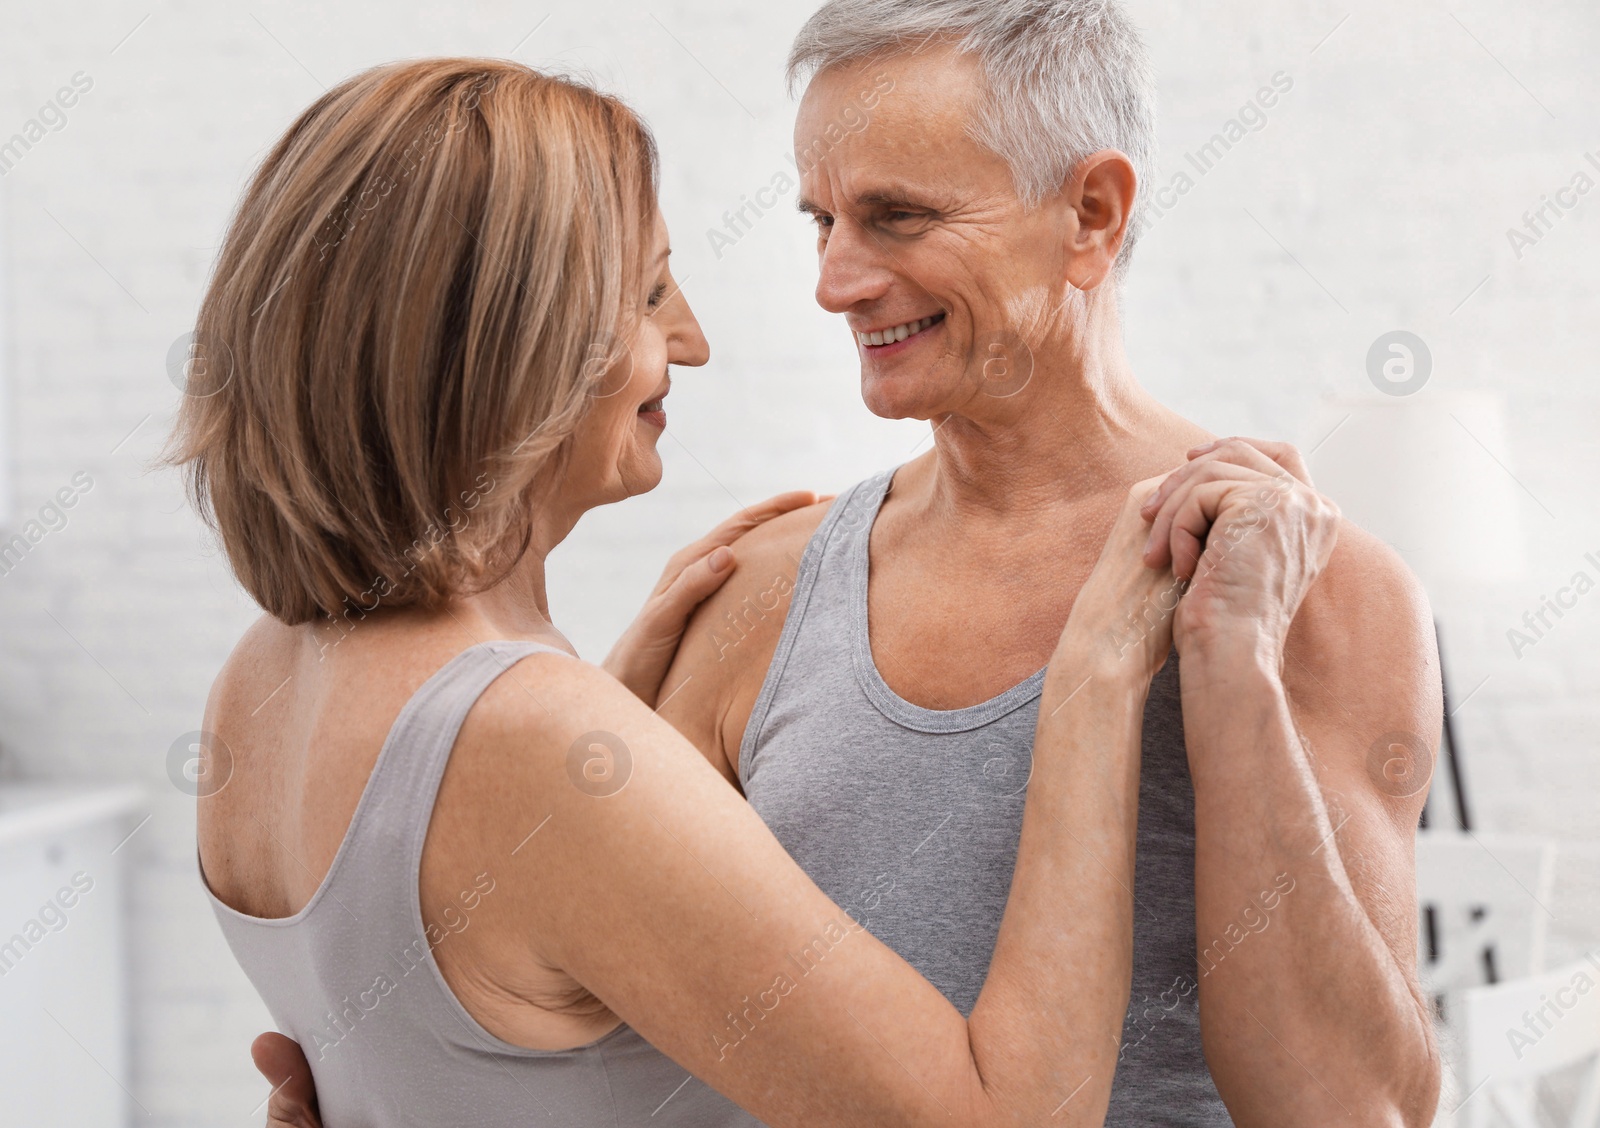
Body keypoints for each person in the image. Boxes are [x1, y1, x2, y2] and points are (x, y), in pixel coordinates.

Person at [258, 2, 1442, 1124]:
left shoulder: (1306, 592)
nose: (834, 283)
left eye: (898, 218)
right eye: (821, 222)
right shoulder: (758, 593)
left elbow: (1352, 1112)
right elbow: (574, 995)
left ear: (1090, 214)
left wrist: (1227, 668)